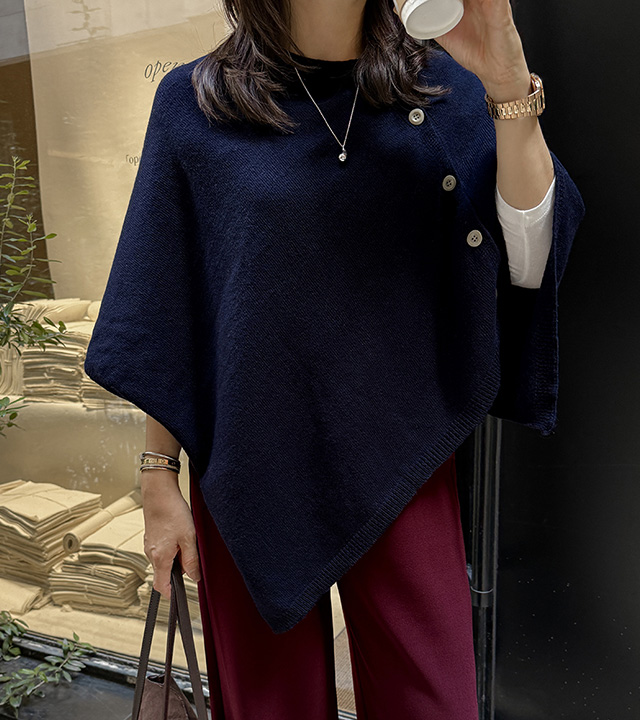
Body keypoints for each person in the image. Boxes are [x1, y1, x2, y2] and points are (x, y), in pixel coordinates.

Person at [84, 0, 586, 717]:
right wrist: (159, 476)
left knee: (434, 702)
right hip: (249, 461)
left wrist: (507, 86)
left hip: (404, 451)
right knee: (268, 707)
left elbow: (528, 262)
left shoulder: (443, 87)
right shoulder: (197, 103)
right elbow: (171, 303)